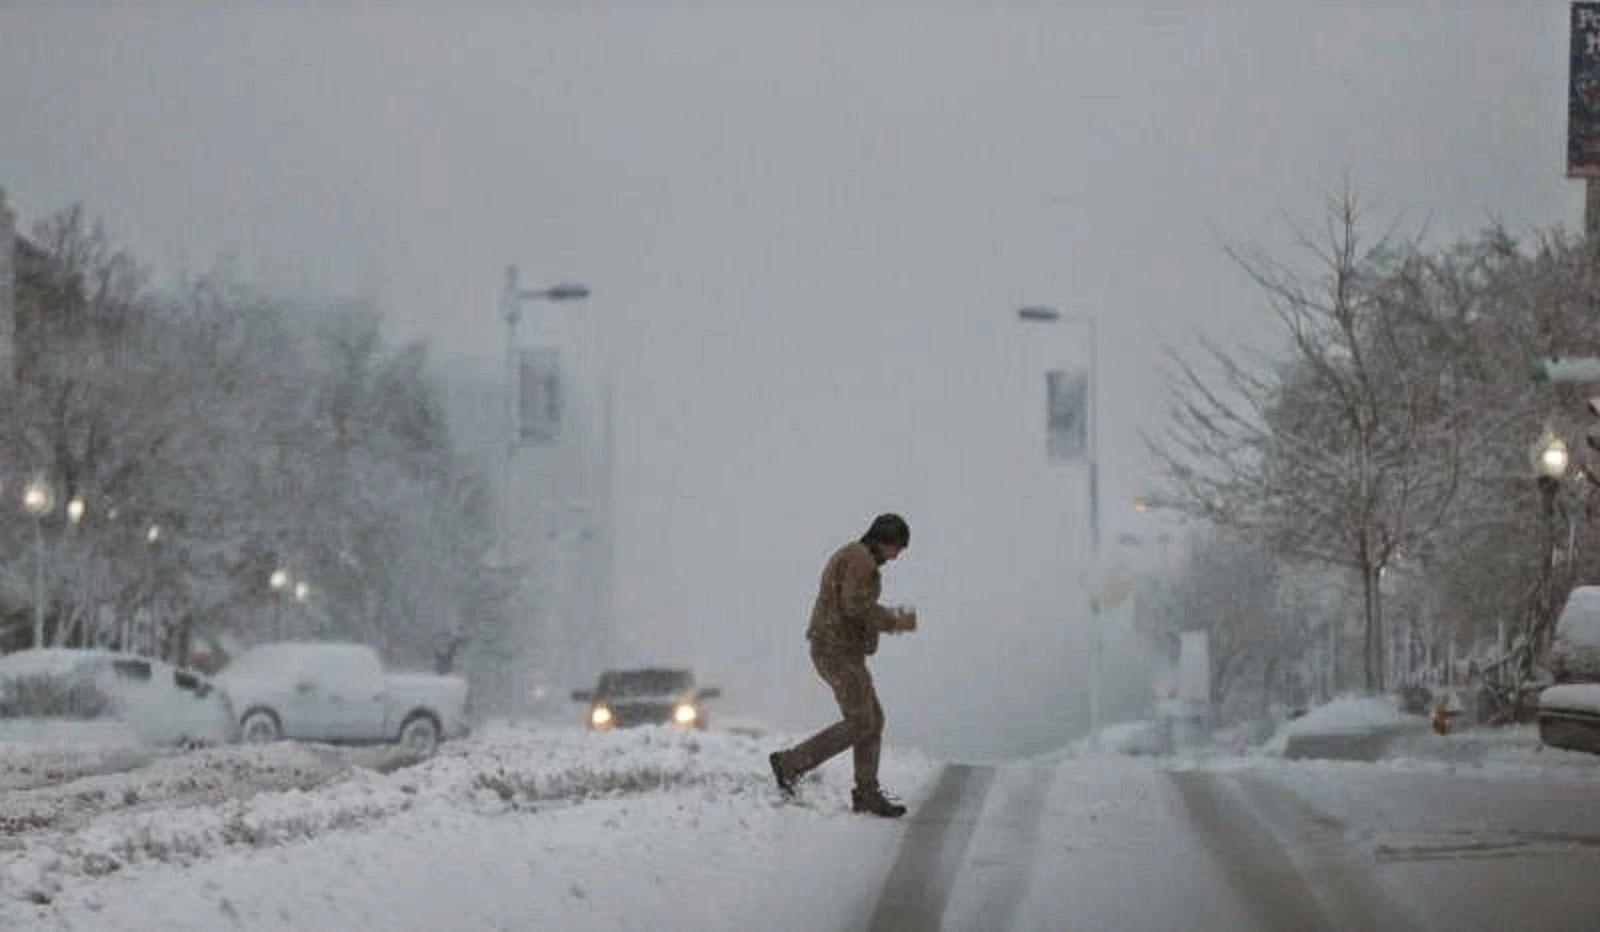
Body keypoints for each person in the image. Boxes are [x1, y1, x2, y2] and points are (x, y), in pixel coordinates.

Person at [768, 513, 918, 817]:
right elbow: (855, 605)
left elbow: (854, 606)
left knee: (872, 718)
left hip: (841, 650)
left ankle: (866, 793)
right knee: (863, 721)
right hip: (834, 650)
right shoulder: (860, 558)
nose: (898, 555)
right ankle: (790, 764)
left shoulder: (860, 558)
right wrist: (894, 621)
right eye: (898, 547)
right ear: (884, 540)